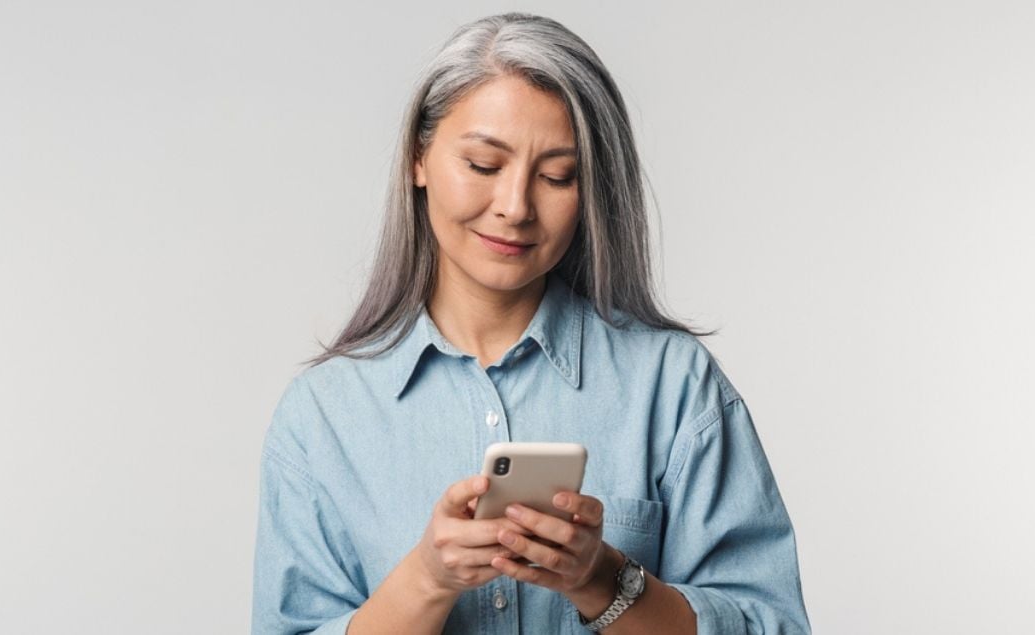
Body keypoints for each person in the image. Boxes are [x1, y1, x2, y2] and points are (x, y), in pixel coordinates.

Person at [251, 11, 810, 635]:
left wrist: (599, 577)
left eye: (556, 177)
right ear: (418, 158)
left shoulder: (673, 385)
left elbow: (774, 625)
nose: (515, 207)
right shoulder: (323, 416)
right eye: (485, 166)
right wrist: (428, 580)